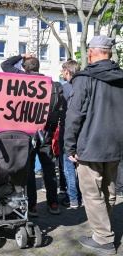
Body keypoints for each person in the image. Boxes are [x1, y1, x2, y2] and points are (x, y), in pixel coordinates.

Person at [64, 35, 123, 255]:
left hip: (90, 144)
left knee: (92, 193)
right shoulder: (120, 77)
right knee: (108, 190)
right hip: (115, 144)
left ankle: (103, 238)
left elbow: (74, 115)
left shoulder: (83, 77)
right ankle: (103, 231)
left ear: (90, 52)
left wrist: (69, 146)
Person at [1, 53, 64, 216]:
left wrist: (21, 55)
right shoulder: (53, 85)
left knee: (28, 168)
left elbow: (5, 65)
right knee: (49, 167)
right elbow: (59, 109)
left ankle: (31, 206)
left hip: (25, 132)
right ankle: (53, 203)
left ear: (23, 68)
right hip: (45, 131)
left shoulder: (21, 79)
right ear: (38, 67)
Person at [59, 59, 81, 208]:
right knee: (82, 166)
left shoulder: (64, 88)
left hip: (67, 130)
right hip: (83, 131)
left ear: (66, 71)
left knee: (68, 165)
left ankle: (73, 198)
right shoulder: (84, 86)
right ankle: (83, 197)